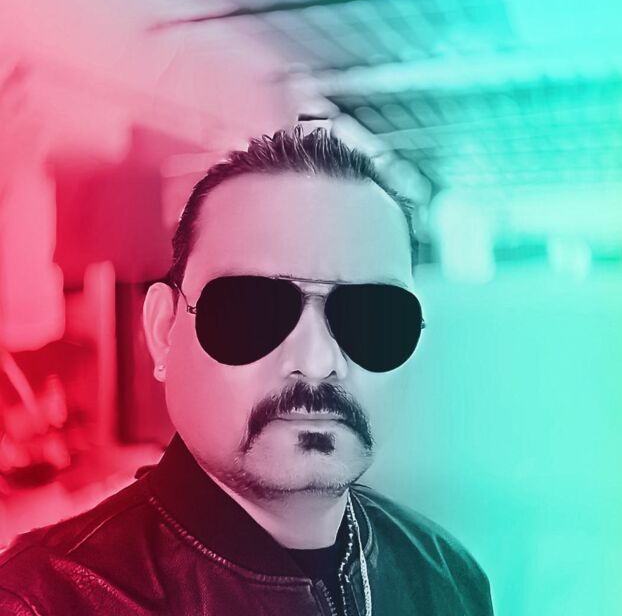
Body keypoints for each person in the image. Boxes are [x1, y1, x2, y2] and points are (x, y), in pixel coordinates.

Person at [0, 127, 493, 615]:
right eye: (251, 311)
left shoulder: (448, 577)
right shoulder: (43, 602)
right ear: (163, 329)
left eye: (372, 319)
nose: (317, 362)